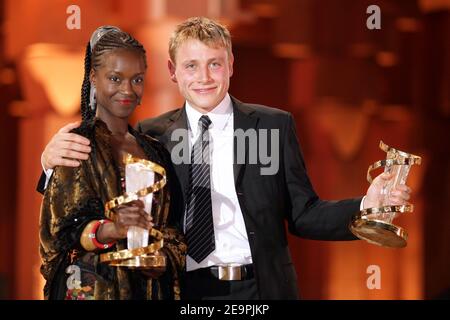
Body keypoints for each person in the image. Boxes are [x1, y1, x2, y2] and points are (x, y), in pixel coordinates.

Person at [38, 17, 411, 300]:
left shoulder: (273, 125)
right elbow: (92, 199)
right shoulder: (149, 136)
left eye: (215, 64)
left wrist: (367, 205)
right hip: (181, 289)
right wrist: (48, 163)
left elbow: (304, 213)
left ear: (231, 64)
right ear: (172, 72)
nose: (204, 77)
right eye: (191, 66)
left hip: (259, 289)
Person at [39, 26, 186, 300]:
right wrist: (111, 229)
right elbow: (58, 233)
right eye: (115, 78)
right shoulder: (77, 145)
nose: (127, 90)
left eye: (137, 79)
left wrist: (162, 257)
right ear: (94, 78)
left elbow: (174, 229)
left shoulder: (155, 151)